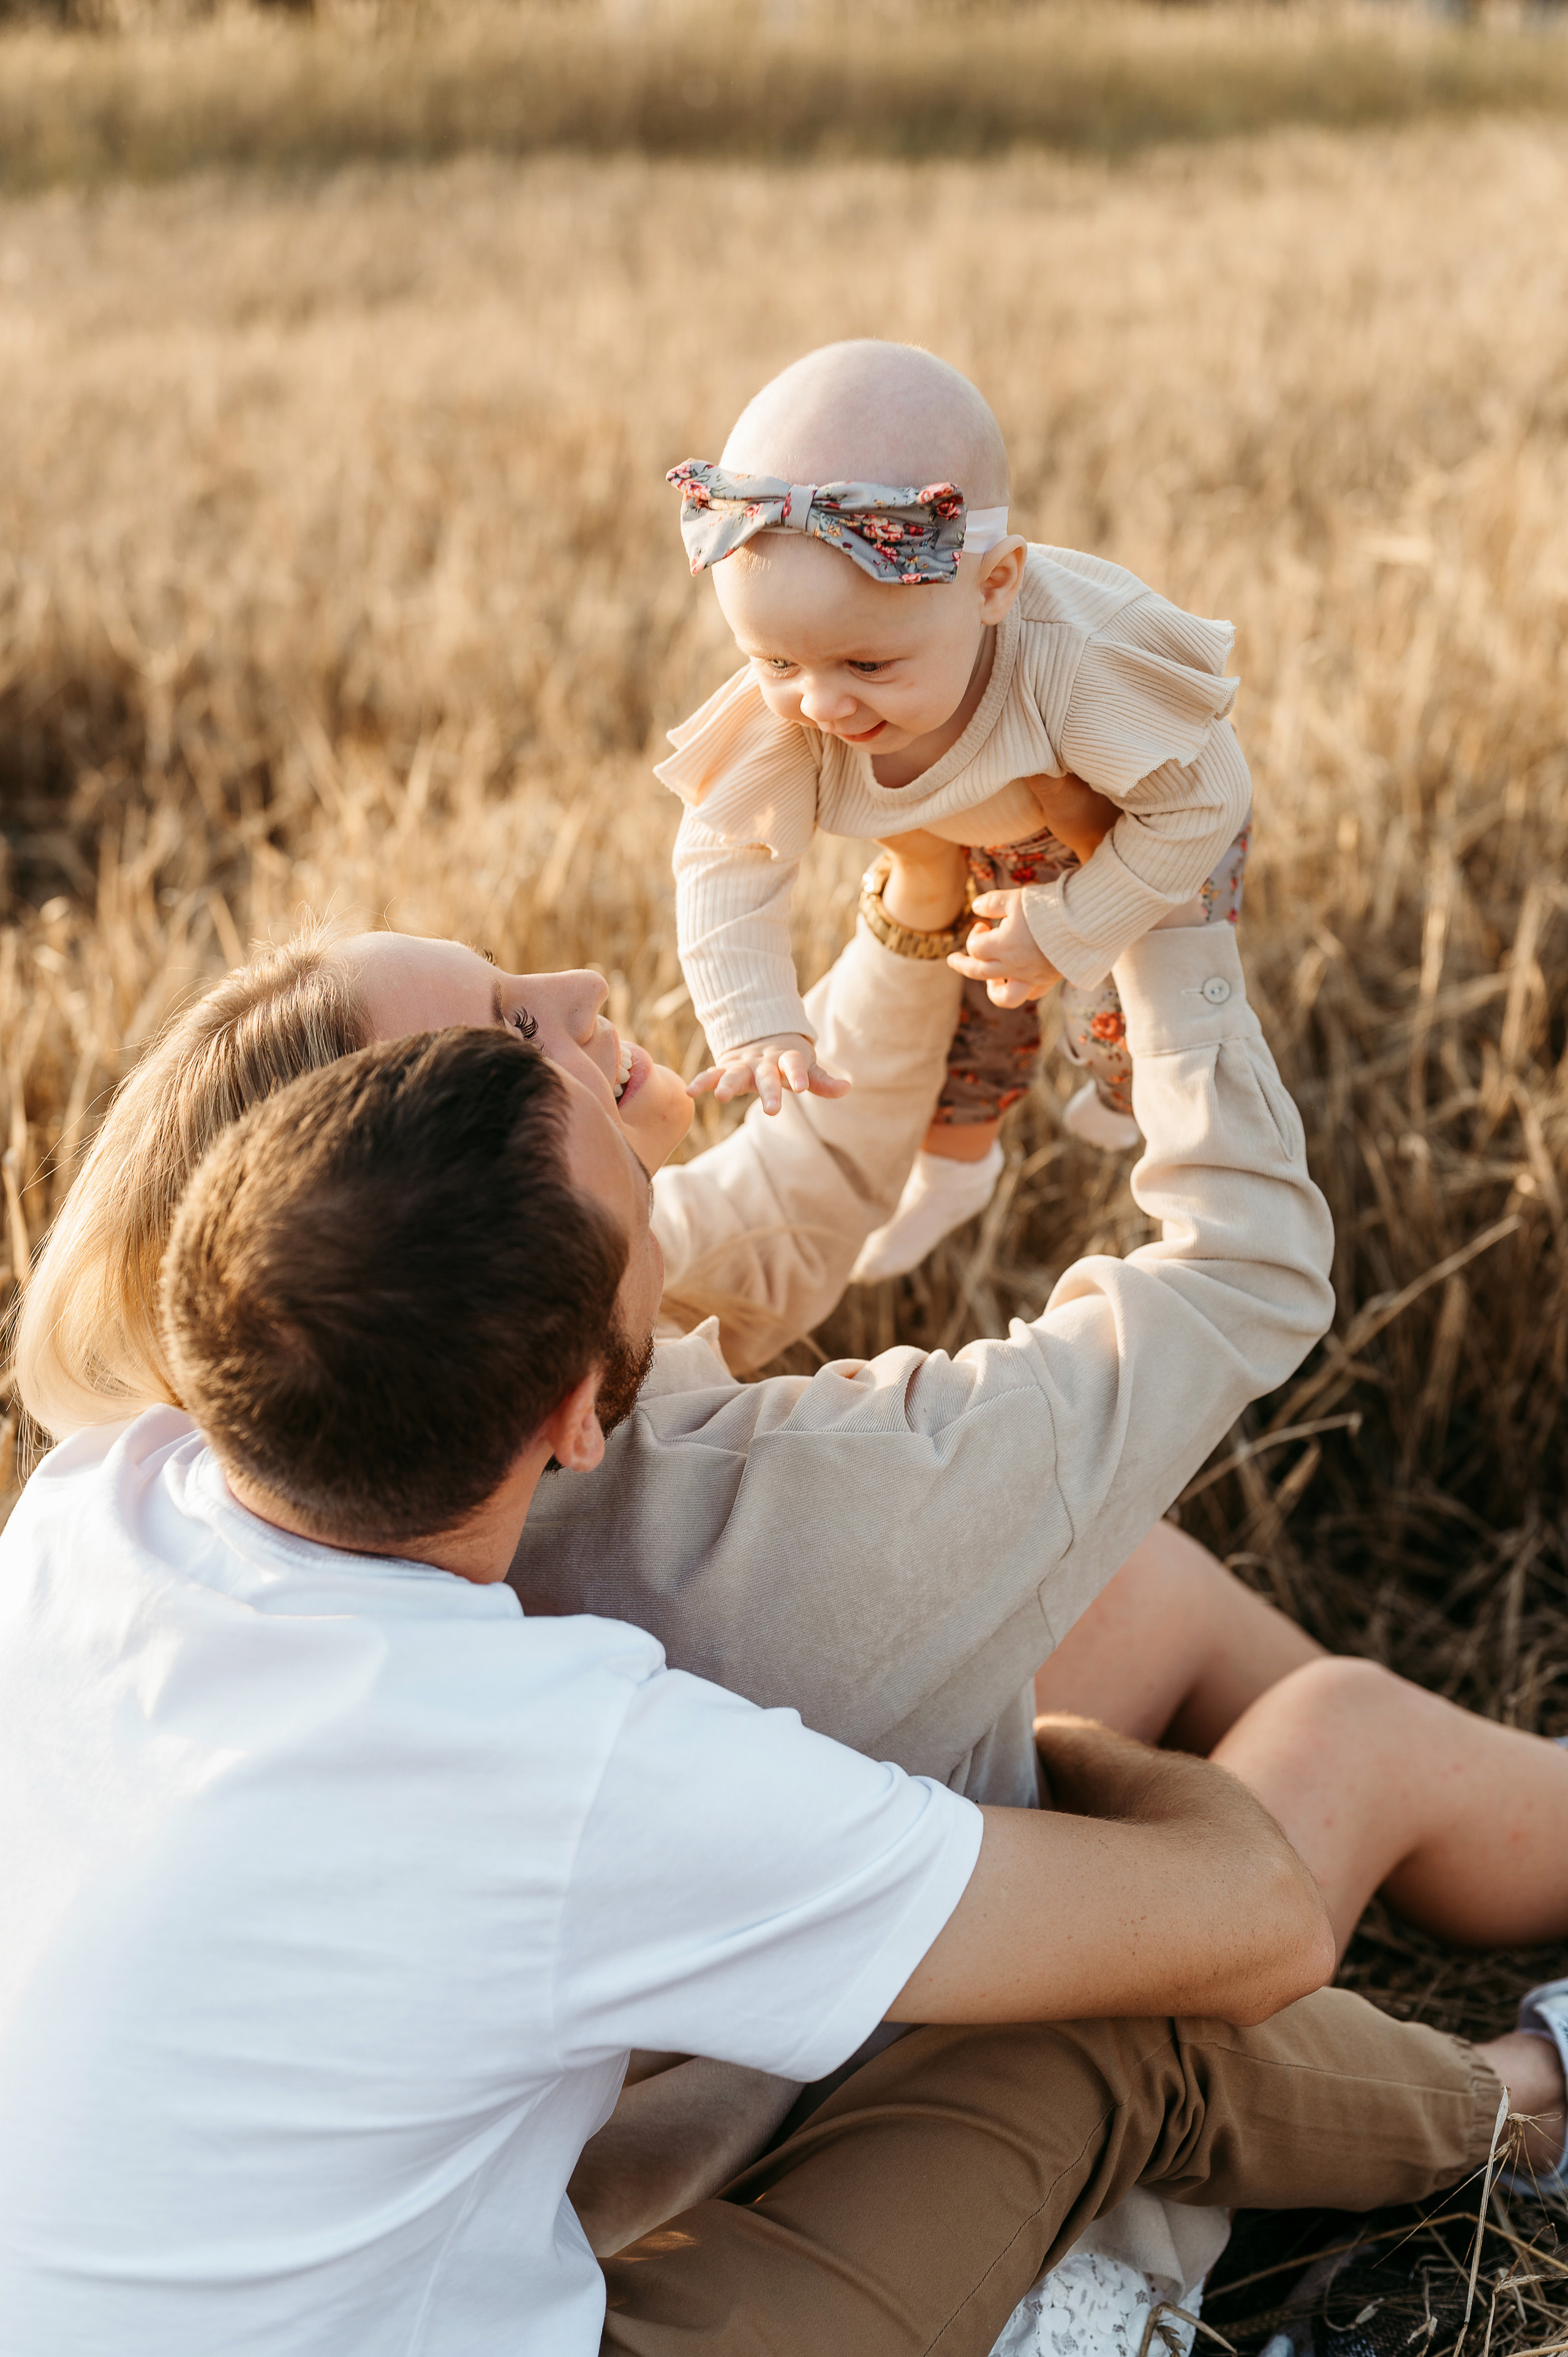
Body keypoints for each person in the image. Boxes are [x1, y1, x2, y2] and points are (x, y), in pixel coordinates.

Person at [12, 849, 1568, 2262]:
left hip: (590, 2060)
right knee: (1338, 1738)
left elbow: (753, 1215)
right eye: (505, 1037)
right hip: (761, 2137)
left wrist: (905, 923)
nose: (578, 992)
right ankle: (1454, 2109)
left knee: (1140, 1586)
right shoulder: (713, 1585)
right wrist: (1174, 913)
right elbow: (1241, 1278)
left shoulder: (182, 1465)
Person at [657, 337, 1252, 1274]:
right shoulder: (805, 700)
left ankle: (1124, 1096)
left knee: (1129, 1002)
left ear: (995, 585)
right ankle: (958, 1171)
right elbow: (723, 857)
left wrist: (1070, 922)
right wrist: (758, 1020)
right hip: (987, 840)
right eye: (773, 662)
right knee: (974, 1013)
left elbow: (1207, 798)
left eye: (867, 665)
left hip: (1142, 821)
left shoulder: (1075, 670)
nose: (820, 705)